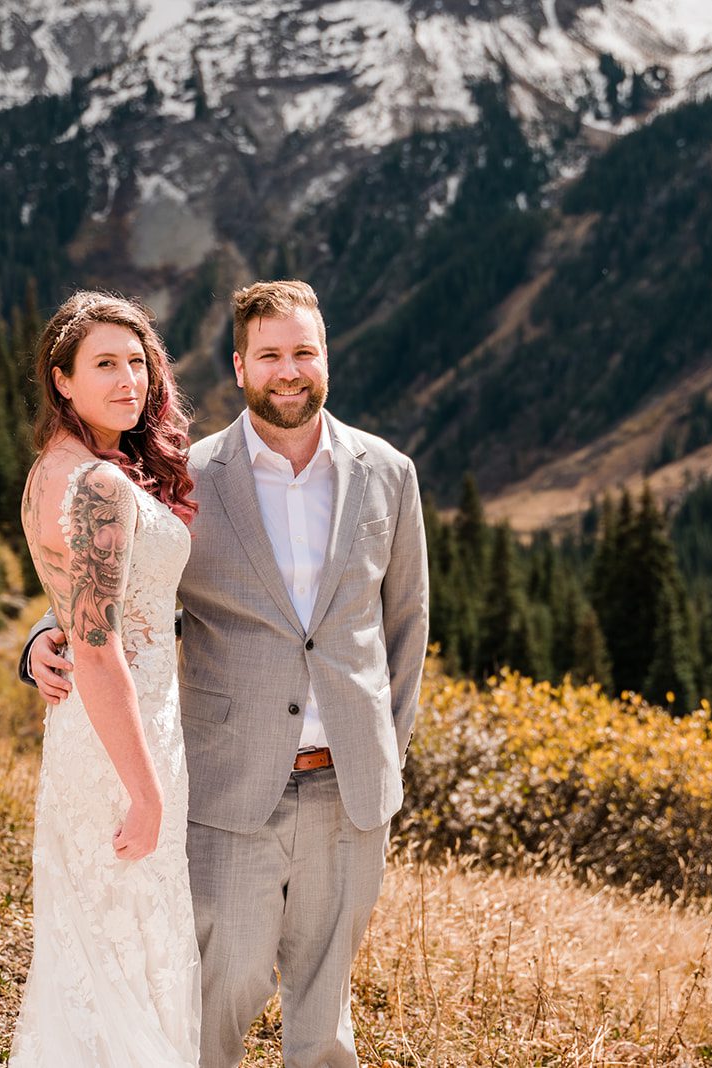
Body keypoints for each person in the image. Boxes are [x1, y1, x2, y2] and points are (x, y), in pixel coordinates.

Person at [21, 279, 429, 1067]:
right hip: (232, 792)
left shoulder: (389, 472)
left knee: (326, 1014)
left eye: (304, 352)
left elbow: (407, 625)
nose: (289, 369)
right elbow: (118, 582)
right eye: (269, 354)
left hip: (352, 790)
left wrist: (388, 753)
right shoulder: (187, 480)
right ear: (239, 366)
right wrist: (44, 633)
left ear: (326, 360)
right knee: (216, 995)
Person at [8, 291, 202, 1066]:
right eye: (104, 365)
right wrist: (147, 792)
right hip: (123, 744)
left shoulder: (55, 471)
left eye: (136, 362)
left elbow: (74, 611)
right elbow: (94, 647)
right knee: (127, 959)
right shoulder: (95, 484)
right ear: (61, 380)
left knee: (93, 953)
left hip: (95, 735)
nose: (130, 381)